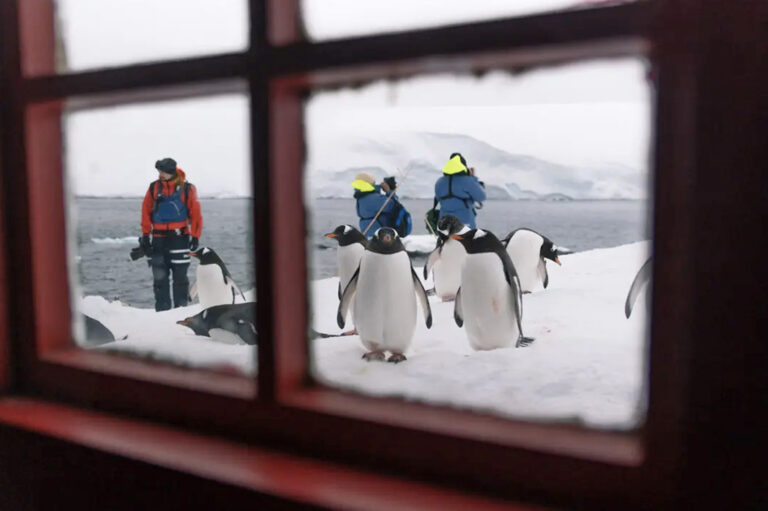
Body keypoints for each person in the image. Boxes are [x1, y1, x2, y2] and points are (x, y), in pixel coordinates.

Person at [140, 158, 203, 311]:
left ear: (170, 171)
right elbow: (146, 211)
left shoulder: (187, 189)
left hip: (179, 239)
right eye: (159, 171)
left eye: (162, 171)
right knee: (159, 279)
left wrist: (195, 236)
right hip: (158, 239)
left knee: (180, 278)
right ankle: (162, 312)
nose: (160, 174)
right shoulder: (154, 188)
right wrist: (145, 236)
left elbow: (195, 213)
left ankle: (180, 311)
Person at [434, 153, 486, 229]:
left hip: (444, 224)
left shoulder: (440, 182)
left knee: (447, 239)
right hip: (465, 224)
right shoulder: (468, 181)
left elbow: (438, 198)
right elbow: (481, 197)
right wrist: (473, 177)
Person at [352, 172, 398, 238]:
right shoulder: (373, 198)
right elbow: (394, 205)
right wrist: (389, 191)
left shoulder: (361, 197)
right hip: (378, 238)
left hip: (368, 235)